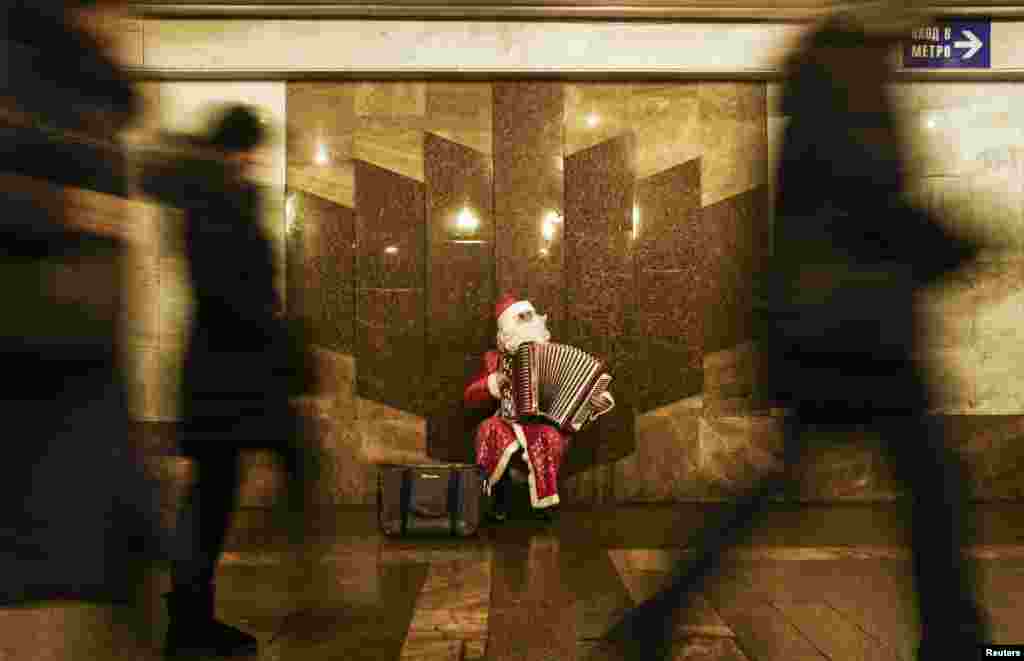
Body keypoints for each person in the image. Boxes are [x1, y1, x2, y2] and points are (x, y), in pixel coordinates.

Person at [601, 11, 994, 661]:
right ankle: (955, 638)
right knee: (931, 484)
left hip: (830, 326)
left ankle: (657, 618)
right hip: (859, 330)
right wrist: (956, 245)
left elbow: (819, 217)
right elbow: (868, 208)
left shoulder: (827, 72)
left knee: (788, 488)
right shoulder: (848, 72)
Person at [0, 0, 169, 650]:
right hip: (36, 523)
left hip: (91, 496)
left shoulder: (94, 107)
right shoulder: (36, 94)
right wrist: (74, 211)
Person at [141, 104, 318, 659]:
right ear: (238, 149)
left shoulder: (206, 199)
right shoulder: (220, 202)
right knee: (218, 498)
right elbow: (237, 295)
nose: (256, 158)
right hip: (234, 377)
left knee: (212, 499)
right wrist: (284, 343)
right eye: (253, 147)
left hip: (224, 375)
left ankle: (193, 619)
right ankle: (197, 620)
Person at [465, 294, 614, 522]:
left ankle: (545, 506)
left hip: (547, 423)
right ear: (505, 335)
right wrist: (493, 382)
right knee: (488, 429)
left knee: (548, 437)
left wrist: (596, 403)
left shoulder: (557, 353)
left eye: (529, 322)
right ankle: (495, 499)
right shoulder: (494, 360)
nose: (525, 329)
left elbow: (584, 387)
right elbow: (470, 395)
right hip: (508, 421)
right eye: (518, 325)